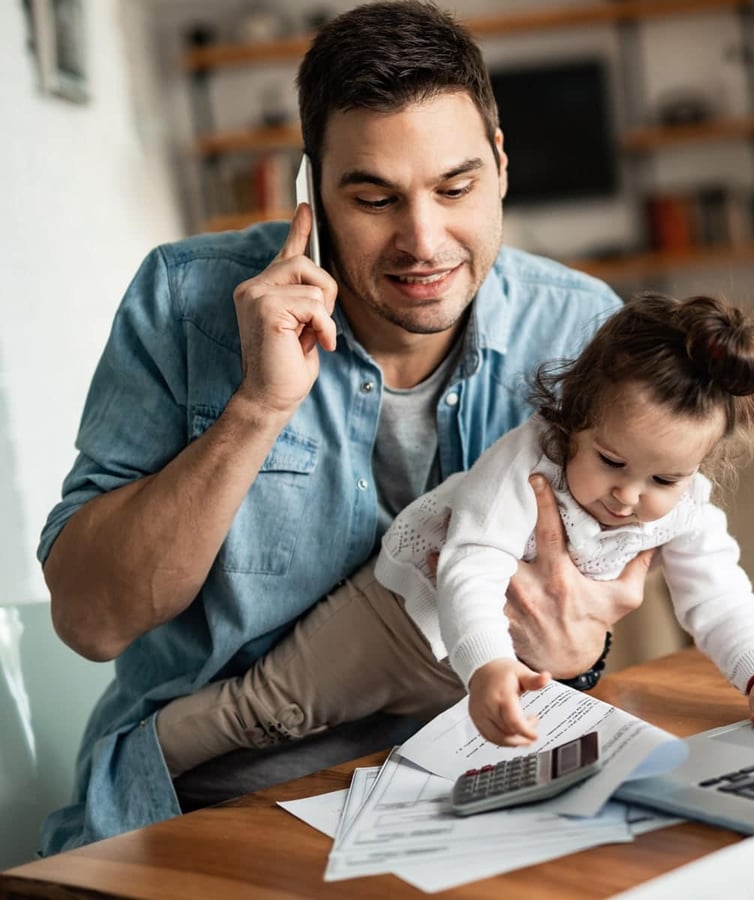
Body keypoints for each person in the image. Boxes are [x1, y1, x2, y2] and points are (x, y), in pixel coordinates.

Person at [36, 0, 643, 855]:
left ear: (501, 166)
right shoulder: (183, 305)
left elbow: (599, 600)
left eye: (455, 188)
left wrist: (583, 646)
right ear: (311, 193)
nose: (423, 240)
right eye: (373, 197)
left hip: (478, 784)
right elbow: (92, 622)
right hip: (213, 802)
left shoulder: (584, 331)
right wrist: (257, 407)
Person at [154, 291, 754, 775]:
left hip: (482, 669)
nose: (630, 497)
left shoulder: (686, 508)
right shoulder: (527, 462)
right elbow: (472, 567)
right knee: (267, 713)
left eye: (666, 479)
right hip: (399, 620)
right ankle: (143, 760)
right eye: (611, 462)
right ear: (574, 420)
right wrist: (490, 665)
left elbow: (719, 596)